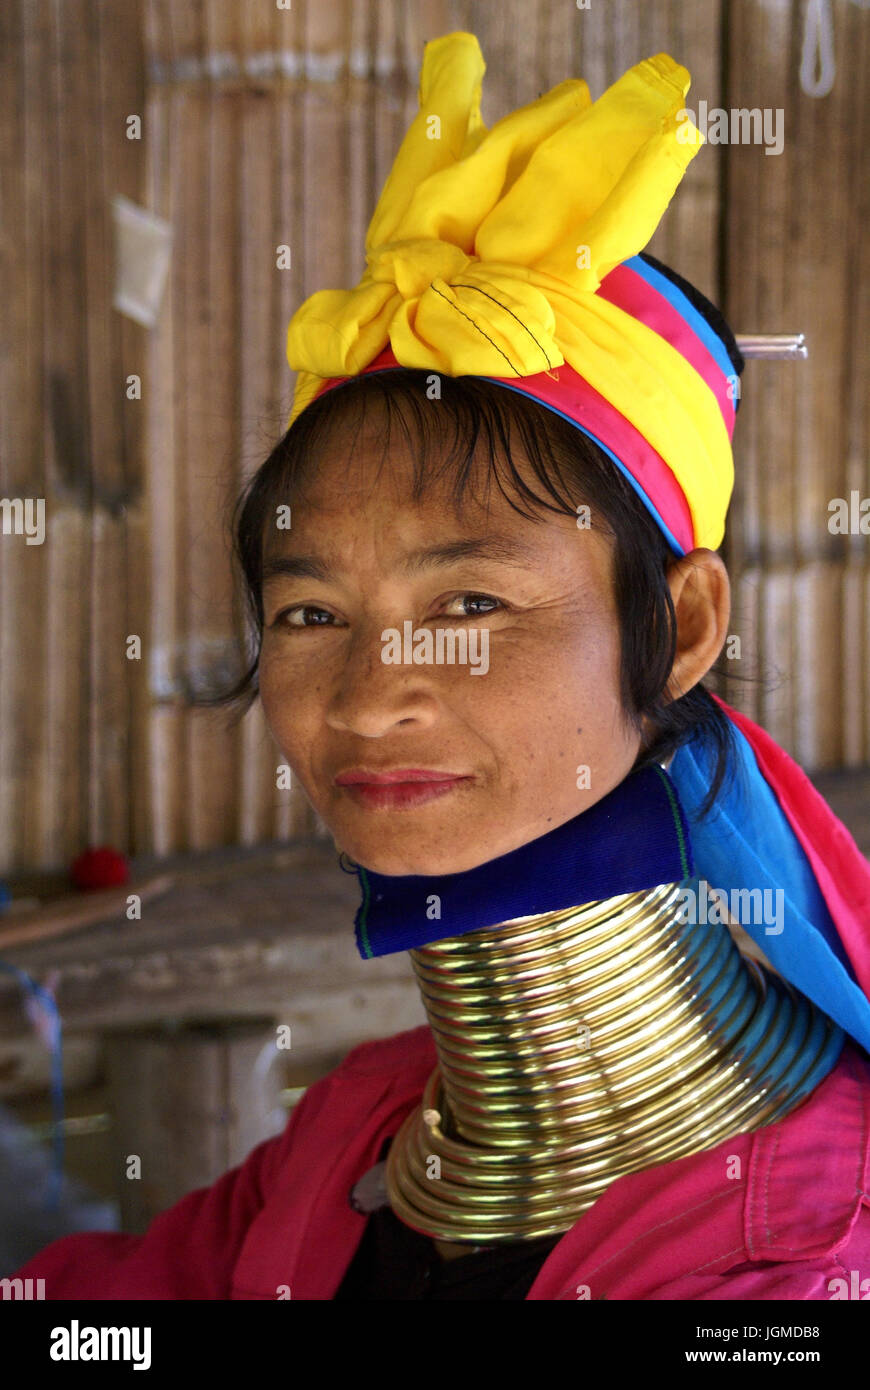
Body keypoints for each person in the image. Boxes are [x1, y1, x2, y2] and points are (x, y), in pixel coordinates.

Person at [10, 32, 870, 1301]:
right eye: (310, 616)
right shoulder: (355, 1138)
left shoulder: (793, 1266)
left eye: (469, 602)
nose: (368, 694)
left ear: (679, 628)